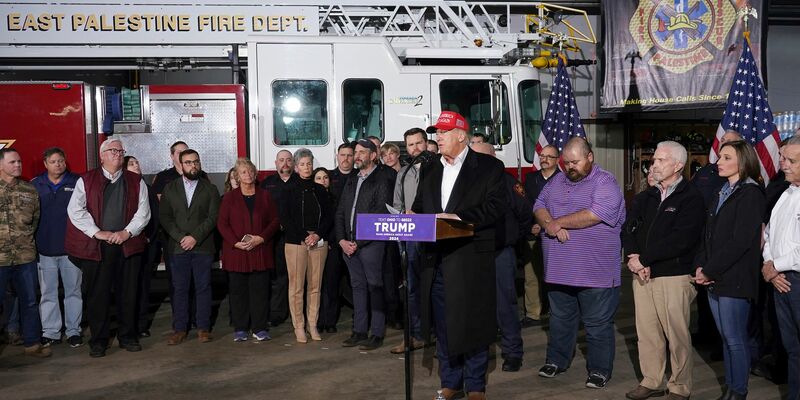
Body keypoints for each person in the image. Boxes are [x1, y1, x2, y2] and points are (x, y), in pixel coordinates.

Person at [411, 111, 505, 400]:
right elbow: (419, 206)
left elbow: (495, 207)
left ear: (461, 135)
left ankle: (475, 386)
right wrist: (411, 218)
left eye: (443, 132)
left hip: (470, 259)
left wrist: (458, 217)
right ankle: (451, 382)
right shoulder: (429, 169)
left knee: (472, 323)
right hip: (436, 262)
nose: (437, 137)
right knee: (444, 326)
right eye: (436, 132)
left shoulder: (488, 167)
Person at [534, 137, 626, 389]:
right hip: (559, 269)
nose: (570, 166)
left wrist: (558, 222)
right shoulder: (557, 181)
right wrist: (548, 223)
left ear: (590, 157)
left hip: (595, 272)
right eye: (566, 162)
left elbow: (595, 214)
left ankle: (599, 370)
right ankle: (557, 360)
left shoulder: (605, 182)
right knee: (560, 320)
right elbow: (539, 205)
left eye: (575, 161)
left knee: (597, 325)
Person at [622, 141, 705, 400]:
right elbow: (629, 228)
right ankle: (651, 380)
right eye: (654, 160)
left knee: (676, 335)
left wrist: (645, 259)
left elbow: (682, 240)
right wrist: (633, 258)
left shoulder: (691, 198)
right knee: (647, 332)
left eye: (660, 160)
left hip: (674, 275)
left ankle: (680, 386)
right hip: (642, 273)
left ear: (678, 165)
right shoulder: (645, 196)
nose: (653, 164)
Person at [65, 138, 151, 358]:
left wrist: (127, 232)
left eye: (121, 151)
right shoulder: (86, 180)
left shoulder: (136, 181)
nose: (118, 154)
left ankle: (128, 337)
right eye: (113, 150)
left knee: (128, 294)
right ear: (101, 155)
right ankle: (99, 341)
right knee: (98, 296)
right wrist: (97, 232)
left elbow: (143, 212)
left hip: (127, 245)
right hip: (98, 248)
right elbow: (76, 211)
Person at [694, 140, 765, 400]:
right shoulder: (723, 190)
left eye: (725, 158)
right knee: (726, 338)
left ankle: (738, 391)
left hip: (734, 278)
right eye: (720, 157)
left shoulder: (751, 193)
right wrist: (701, 265)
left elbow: (740, 242)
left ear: (742, 162)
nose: (718, 163)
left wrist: (709, 270)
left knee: (735, 339)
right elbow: (708, 234)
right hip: (715, 276)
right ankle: (731, 389)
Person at [472, 142, 530, 373]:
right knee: (478, 307)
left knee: (505, 305)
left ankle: (512, 352)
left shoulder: (507, 182)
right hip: (474, 253)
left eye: (479, 157)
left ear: (492, 157)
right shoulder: (469, 183)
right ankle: (479, 353)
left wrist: (514, 239)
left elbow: (525, 213)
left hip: (500, 253)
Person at [159, 149, 220, 345]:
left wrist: (195, 237)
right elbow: (165, 218)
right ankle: (180, 329)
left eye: (196, 162)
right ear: (180, 164)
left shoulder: (210, 189)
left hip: (202, 246)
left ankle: (203, 328)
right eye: (188, 162)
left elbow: (213, 218)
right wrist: (181, 237)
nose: (193, 166)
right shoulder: (170, 188)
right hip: (178, 248)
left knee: (203, 288)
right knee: (180, 289)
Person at [336, 139, 391, 351]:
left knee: (375, 287)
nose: (356, 156)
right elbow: (340, 211)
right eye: (355, 152)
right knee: (357, 288)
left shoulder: (382, 179)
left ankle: (377, 333)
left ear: (373, 155)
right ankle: (359, 331)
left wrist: (357, 243)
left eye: (361, 152)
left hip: (370, 245)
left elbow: (381, 214)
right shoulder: (352, 180)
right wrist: (342, 240)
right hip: (348, 245)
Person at [217, 158, 280, 342]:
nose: (248, 175)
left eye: (251, 171)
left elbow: (275, 221)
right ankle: (240, 328)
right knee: (238, 293)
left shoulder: (265, 196)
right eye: (243, 172)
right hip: (236, 252)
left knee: (260, 292)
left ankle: (260, 328)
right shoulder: (229, 198)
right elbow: (222, 224)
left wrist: (261, 238)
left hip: (260, 251)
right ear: (237, 176)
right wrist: (235, 242)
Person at [690, 130, 742, 353]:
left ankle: (724, 344)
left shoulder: (745, 184)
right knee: (704, 296)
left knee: (728, 310)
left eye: (729, 143)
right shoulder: (706, 172)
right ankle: (705, 333)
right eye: (722, 142)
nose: (723, 145)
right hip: (703, 239)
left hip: (726, 248)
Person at [0, 148, 51, 358]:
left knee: (29, 301)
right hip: (0, 258)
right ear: (1, 165)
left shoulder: (29, 190)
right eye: (12, 162)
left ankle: (32, 344)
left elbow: (35, 220)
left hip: (25, 256)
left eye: (19, 162)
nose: (18, 165)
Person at [31, 147, 83, 348]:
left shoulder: (77, 183)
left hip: (71, 250)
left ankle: (73, 331)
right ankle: (51, 332)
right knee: (48, 293)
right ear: (45, 164)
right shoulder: (36, 185)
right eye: (53, 161)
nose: (58, 164)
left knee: (73, 292)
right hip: (45, 251)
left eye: (61, 160)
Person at [280, 149, 332, 343]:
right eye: (302, 164)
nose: (306, 167)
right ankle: (299, 326)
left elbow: (328, 216)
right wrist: (304, 236)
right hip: (295, 243)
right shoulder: (288, 189)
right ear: (295, 167)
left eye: (309, 163)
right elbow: (285, 218)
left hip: (319, 241)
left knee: (315, 286)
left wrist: (317, 235)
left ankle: (313, 324)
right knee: (296, 287)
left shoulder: (320, 190)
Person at [763, 135, 800, 400]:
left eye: (791, 160)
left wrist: (775, 266)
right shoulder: (786, 193)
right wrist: (769, 265)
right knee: (792, 348)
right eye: (783, 158)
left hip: (795, 280)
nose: (783, 164)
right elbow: (769, 236)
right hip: (780, 280)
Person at [389, 127, 429, 354]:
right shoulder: (403, 173)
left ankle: (438, 333)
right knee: (412, 288)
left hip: (432, 235)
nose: (415, 148)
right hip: (410, 238)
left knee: (435, 287)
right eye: (410, 144)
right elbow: (397, 204)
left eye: (418, 143)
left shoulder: (438, 168)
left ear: (426, 143)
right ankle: (414, 335)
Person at [519, 145, 560, 328]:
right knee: (531, 275)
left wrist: (545, 224)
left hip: (555, 235)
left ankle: (555, 311)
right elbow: (525, 206)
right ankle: (533, 313)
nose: (544, 159)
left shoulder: (564, 179)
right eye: (542, 156)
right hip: (532, 234)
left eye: (549, 156)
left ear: (557, 160)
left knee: (555, 275)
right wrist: (530, 225)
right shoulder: (530, 179)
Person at [124, 155, 161, 338]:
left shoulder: (148, 188)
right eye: (131, 163)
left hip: (146, 245)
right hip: (126, 245)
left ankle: (141, 324)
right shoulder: (121, 188)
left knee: (143, 285)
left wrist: (149, 238)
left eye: (137, 162)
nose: (136, 165)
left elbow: (155, 216)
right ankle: (128, 324)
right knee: (127, 287)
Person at [261, 149, 296, 327]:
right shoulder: (267, 184)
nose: (285, 164)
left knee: (296, 277)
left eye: (288, 160)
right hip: (273, 238)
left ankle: (297, 313)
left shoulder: (300, 182)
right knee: (277, 276)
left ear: (293, 163)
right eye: (281, 160)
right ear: (276, 163)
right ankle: (277, 313)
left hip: (296, 238)